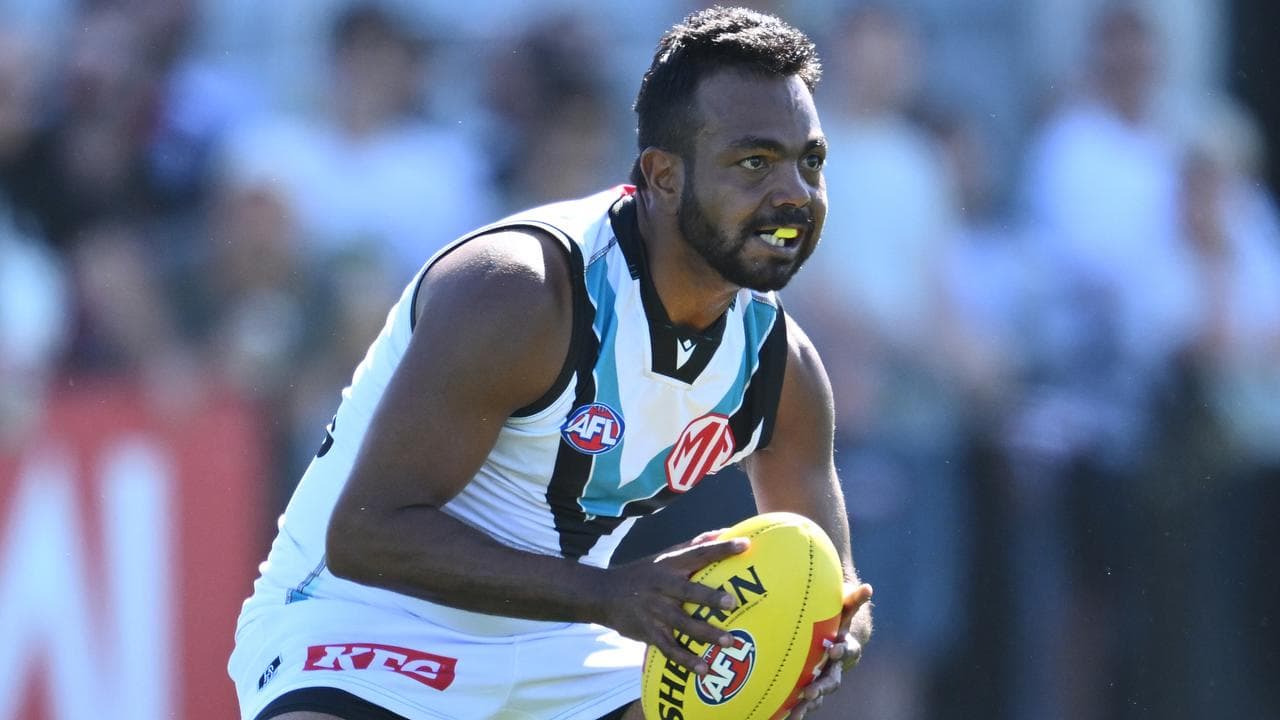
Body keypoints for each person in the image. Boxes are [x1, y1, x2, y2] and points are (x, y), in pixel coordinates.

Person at [228, 7, 873, 720]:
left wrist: (829, 637)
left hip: (567, 640)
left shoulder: (784, 370)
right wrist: (609, 594)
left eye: (810, 162)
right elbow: (367, 534)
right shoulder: (521, 291)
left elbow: (833, 585)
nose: (795, 194)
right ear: (662, 176)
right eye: (755, 162)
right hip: (364, 619)